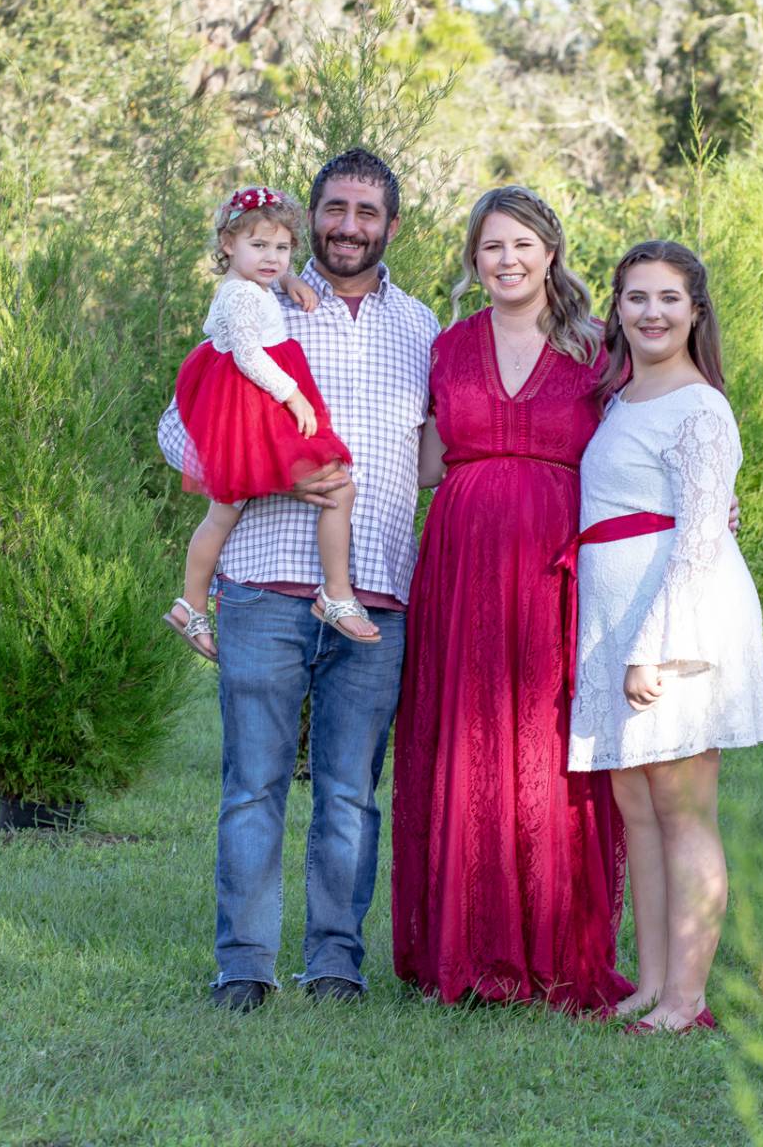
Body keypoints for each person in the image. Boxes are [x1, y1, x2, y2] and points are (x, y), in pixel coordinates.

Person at [157, 149, 439, 1011]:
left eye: (368, 212)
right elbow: (179, 432)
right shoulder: (257, 300)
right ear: (309, 216)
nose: (349, 226)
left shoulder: (423, 327)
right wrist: (275, 472)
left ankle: (335, 968)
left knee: (353, 793)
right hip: (264, 583)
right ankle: (243, 968)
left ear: (392, 225)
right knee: (254, 786)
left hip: (378, 590)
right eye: (335, 208)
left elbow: (439, 454)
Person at [392, 185, 636, 1014]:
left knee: (547, 740)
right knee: (466, 737)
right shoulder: (446, 347)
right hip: (461, 563)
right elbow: (422, 462)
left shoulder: (597, 346)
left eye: (523, 244)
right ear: (473, 257)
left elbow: (650, 434)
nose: (507, 260)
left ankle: (558, 949)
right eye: (492, 246)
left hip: (557, 566)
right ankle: (469, 941)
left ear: (551, 253)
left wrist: (706, 500)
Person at [565, 239, 763, 1034]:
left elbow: (697, 539)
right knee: (639, 808)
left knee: (684, 811)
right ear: (616, 307)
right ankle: (652, 984)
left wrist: (651, 646)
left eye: (669, 299)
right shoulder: (622, 400)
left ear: (696, 312)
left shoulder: (700, 407)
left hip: (676, 621)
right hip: (615, 617)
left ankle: (689, 997)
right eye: (636, 298)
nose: (652, 313)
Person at [164, 186, 378, 662]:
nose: (272, 257)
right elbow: (246, 352)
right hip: (249, 402)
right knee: (339, 487)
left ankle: (191, 604)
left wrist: (287, 283)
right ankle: (336, 592)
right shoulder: (241, 296)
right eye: (259, 246)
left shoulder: (254, 286)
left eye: (282, 248)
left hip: (242, 404)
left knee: (224, 512)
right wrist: (293, 394)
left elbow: (259, 287)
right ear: (227, 244)